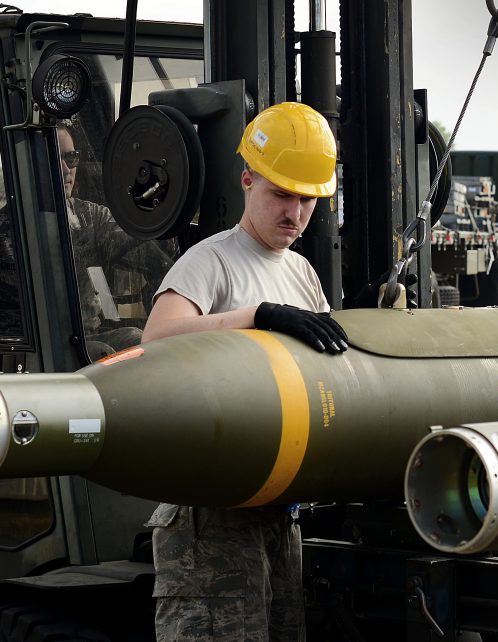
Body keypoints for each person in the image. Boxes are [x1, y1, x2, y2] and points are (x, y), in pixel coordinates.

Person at [141, 102, 349, 642]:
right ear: (247, 180)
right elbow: (156, 341)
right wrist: (254, 317)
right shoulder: (210, 261)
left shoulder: (301, 272)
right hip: (211, 520)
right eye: (281, 194)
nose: (296, 213)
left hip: (277, 513)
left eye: (307, 199)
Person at [0, 122, 172, 352]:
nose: (65, 169)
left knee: (138, 342)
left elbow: (151, 254)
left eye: (71, 158)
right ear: (30, 165)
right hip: (25, 359)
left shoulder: (93, 219)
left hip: (85, 350)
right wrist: (1, 364)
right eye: (53, 158)